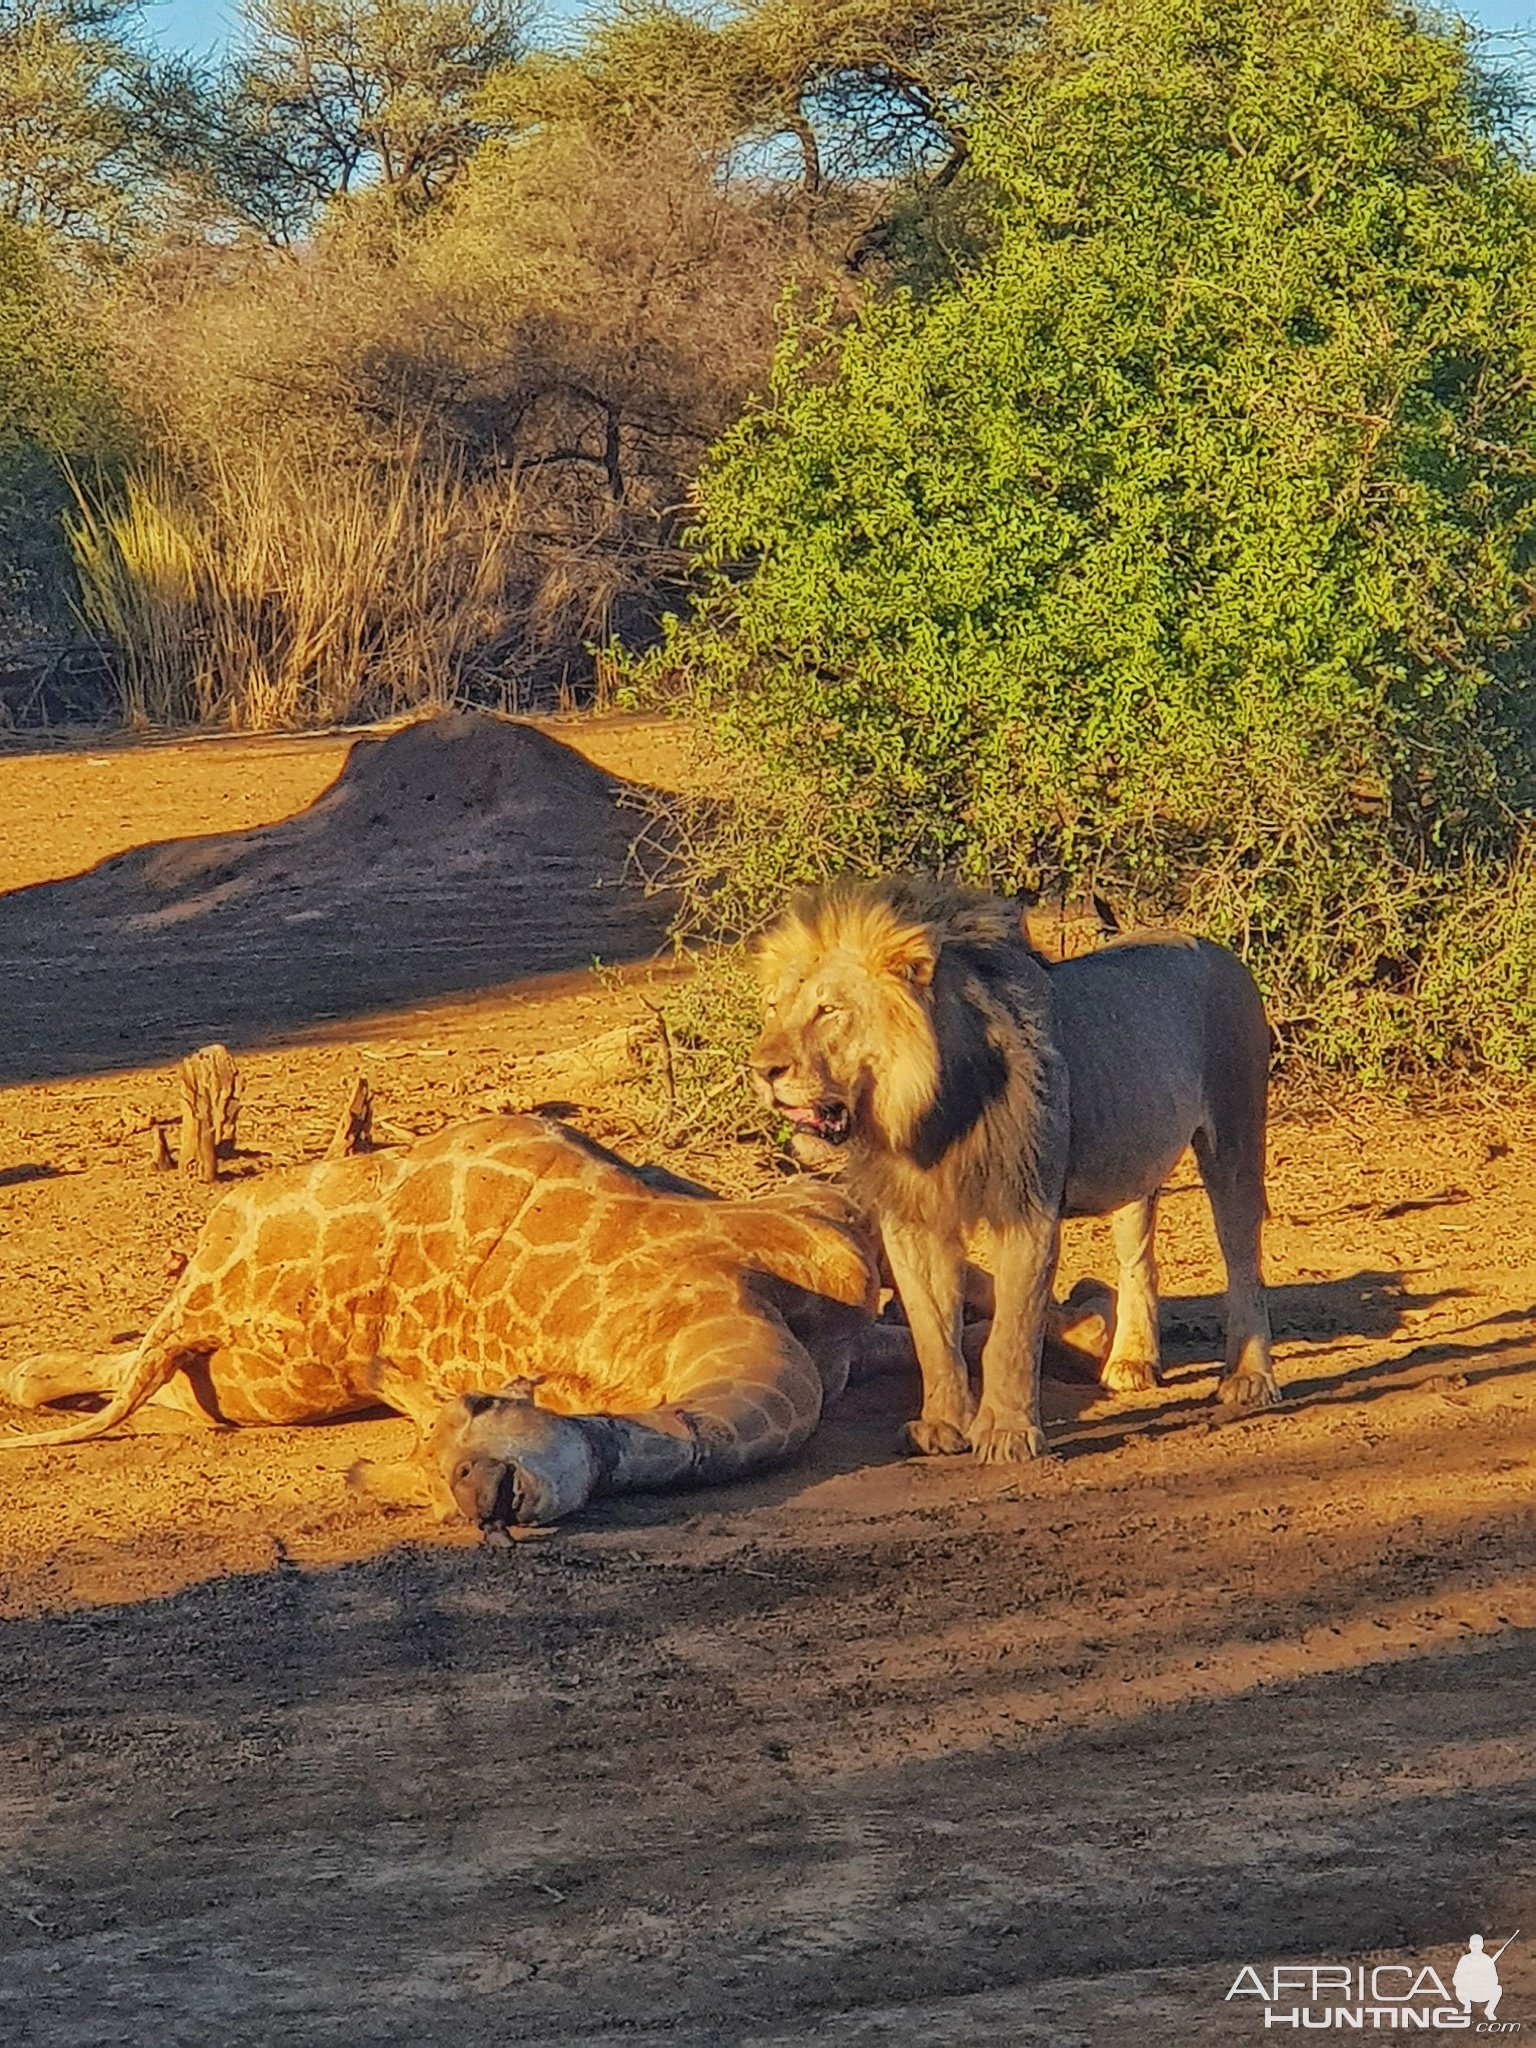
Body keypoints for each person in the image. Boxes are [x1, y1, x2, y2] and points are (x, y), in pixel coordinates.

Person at [1453, 1934, 1503, 2019]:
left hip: (1482, 1991)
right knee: (1459, 1989)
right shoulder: (1465, 1960)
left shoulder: (1487, 1960)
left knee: (1498, 1989)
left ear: (1482, 1945)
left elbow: (1495, 1980)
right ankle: (1467, 2008)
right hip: (1468, 1991)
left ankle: (1489, 2011)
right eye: (1474, 1945)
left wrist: (1483, 1980)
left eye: (1478, 1945)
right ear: (1470, 1945)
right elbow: (1456, 1979)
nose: (1476, 1947)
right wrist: (1469, 1979)